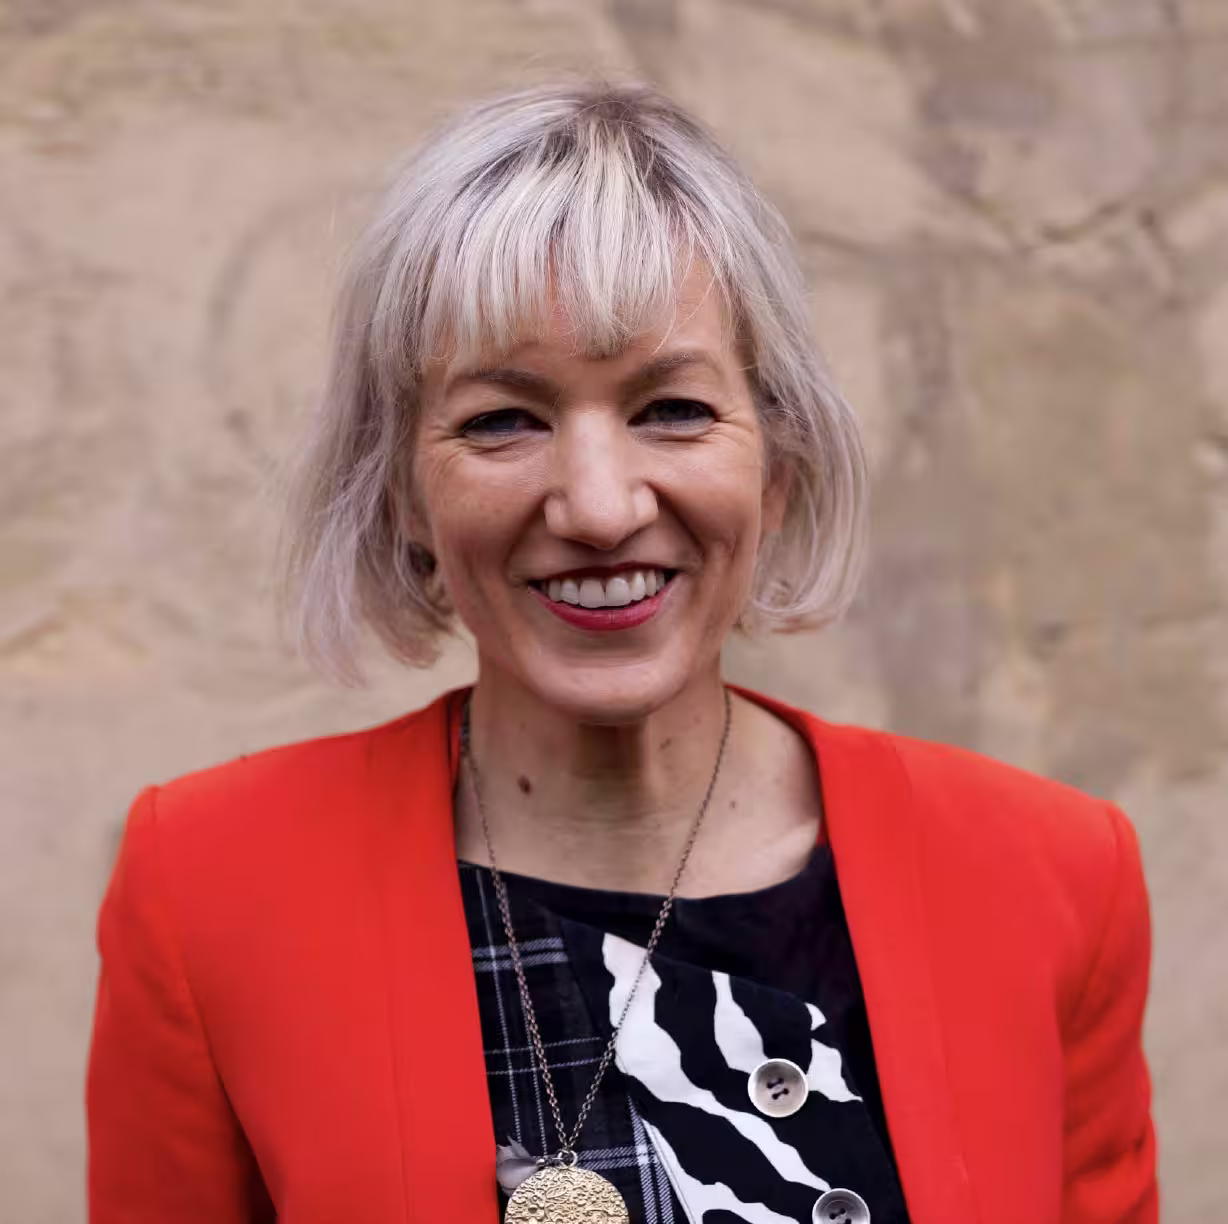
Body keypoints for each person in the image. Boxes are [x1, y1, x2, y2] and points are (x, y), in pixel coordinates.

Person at [86, 82, 1158, 1224]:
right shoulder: (210, 893)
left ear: (776, 466)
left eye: (673, 409)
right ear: (402, 491)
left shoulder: (1049, 879)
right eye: (503, 419)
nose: (598, 508)